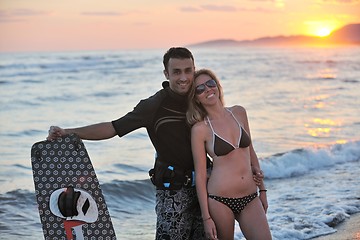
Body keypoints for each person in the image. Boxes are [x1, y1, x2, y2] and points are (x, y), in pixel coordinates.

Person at [47, 47, 207, 240]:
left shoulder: (201, 98)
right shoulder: (153, 106)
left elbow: (223, 130)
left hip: (206, 188)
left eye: (188, 70)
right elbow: (113, 127)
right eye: (176, 72)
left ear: (194, 70)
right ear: (166, 74)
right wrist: (69, 133)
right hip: (173, 192)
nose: (183, 77)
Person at [186, 69, 272, 240]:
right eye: (200, 89)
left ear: (217, 86)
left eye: (210, 84)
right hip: (220, 200)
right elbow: (201, 176)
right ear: (196, 98)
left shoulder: (239, 113)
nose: (208, 90)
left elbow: (251, 152)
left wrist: (262, 190)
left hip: (250, 197)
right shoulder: (200, 129)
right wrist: (206, 218)